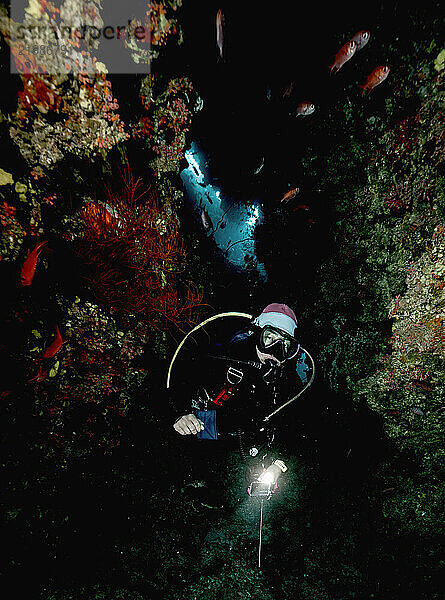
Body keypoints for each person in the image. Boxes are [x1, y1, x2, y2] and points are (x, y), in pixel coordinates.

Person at [169, 303, 314, 506]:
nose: (274, 350)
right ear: (256, 333)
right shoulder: (221, 356)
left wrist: (278, 466)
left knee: (230, 501)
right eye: (269, 338)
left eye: (284, 345)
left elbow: (298, 432)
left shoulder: (288, 384)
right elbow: (179, 378)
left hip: (244, 447)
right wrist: (180, 413)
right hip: (204, 431)